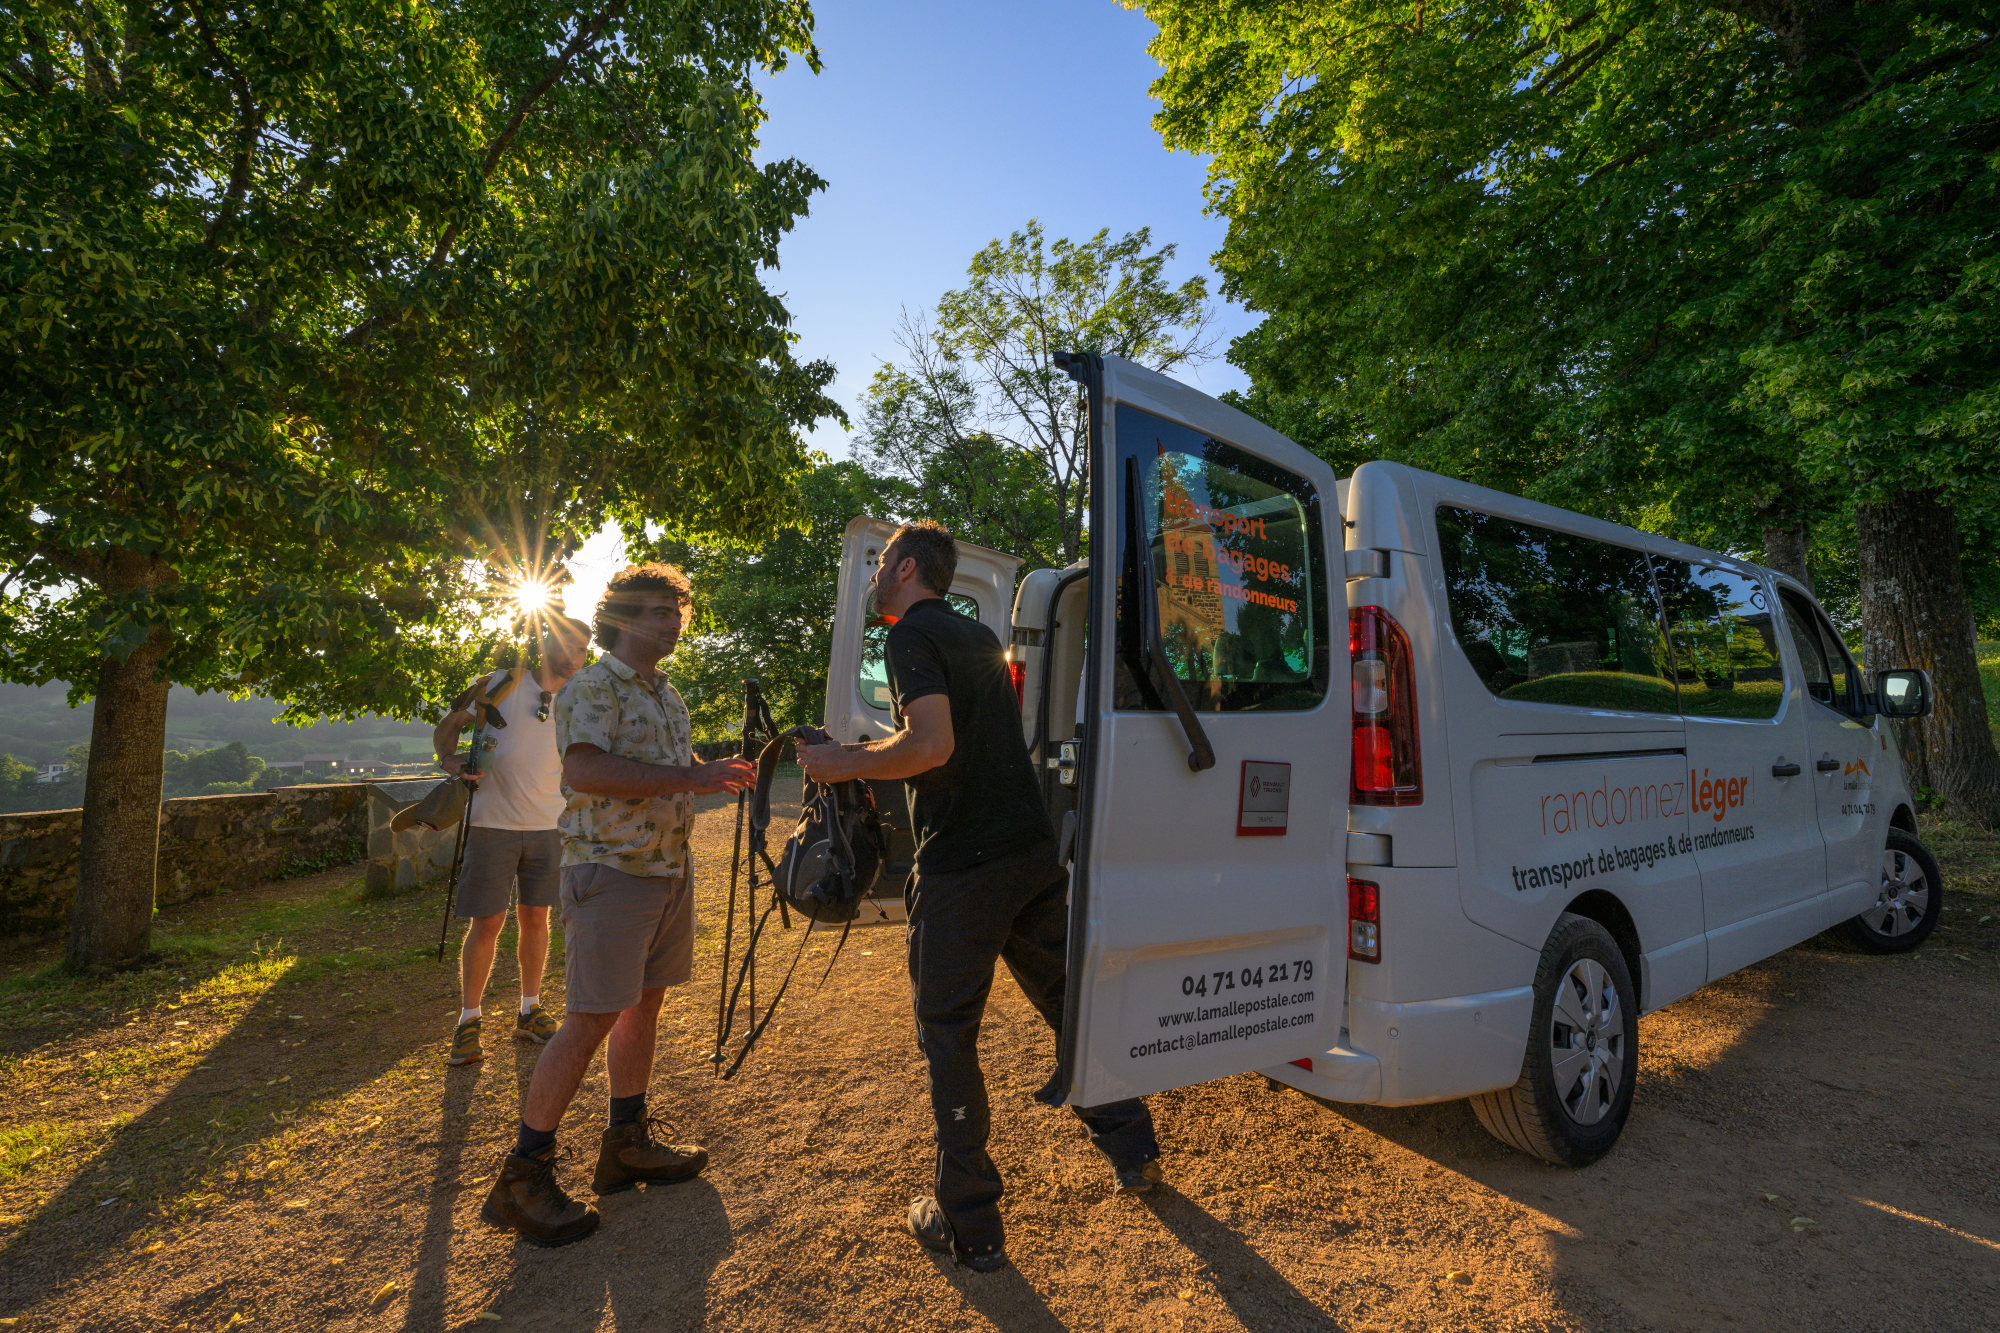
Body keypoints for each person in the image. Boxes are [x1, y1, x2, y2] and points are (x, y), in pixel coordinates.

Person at [800, 520, 1162, 1274]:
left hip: (963, 866)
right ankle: (1134, 1149)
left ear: (901, 568)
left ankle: (972, 1223)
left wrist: (844, 764)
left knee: (948, 1029)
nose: (875, 580)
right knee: (1067, 1001)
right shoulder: (974, 633)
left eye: (880, 567)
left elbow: (930, 744)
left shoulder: (908, 638)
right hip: (1028, 851)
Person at [480, 564, 755, 1248]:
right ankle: (523, 1174)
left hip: (665, 871)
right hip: (610, 872)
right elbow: (586, 769)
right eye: (662, 610)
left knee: (644, 1002)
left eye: (678, 610)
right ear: (625, 617)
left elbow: (672, 761)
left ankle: (625, 1140)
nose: (675, 621)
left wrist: (723, 765)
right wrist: (694, 774)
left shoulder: (667, 693)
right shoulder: (594, 685)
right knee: (589, 1018)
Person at [434, 615, 592, 1067]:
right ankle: (468, 1021)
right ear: (545, 644)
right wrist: (450, 760)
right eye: (567, 645)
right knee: (486, 924)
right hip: (492, 824)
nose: (574, 656)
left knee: (537, 920)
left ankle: (529, 1010)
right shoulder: (496, 685)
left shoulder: (578, 700)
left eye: (582, 649)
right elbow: (447, 729)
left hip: (549, 826)